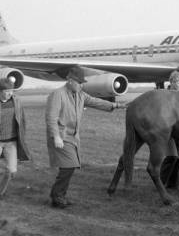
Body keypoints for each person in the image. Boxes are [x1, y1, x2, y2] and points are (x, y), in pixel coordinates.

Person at [46, 66, 126, 208]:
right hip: (61, 136)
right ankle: (57, 196)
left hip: (73, 137)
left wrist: (117, 105)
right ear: (69, 80)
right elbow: (51, 118)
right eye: (78, 82)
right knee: (69, 166)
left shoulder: (80, 94)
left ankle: (58, 195)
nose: (81, 85)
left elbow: (96, 102)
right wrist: (56, 137)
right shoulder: (57, 94)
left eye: (82, 83)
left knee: (69, 167)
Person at [0, 78, 31, 197]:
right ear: (0, 91)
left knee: (12, 170)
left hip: (11, 142)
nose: (10, 93)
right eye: (7, 91)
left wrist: (22, 134)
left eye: (12, 91)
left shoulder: (16, 101)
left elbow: (22, 118)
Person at [160, 71, 179, 189]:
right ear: (171, 82)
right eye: (177, 82)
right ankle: (160, 183)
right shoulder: (166, 95)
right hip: (169, 130)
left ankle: (173, 184)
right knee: (172, 157)